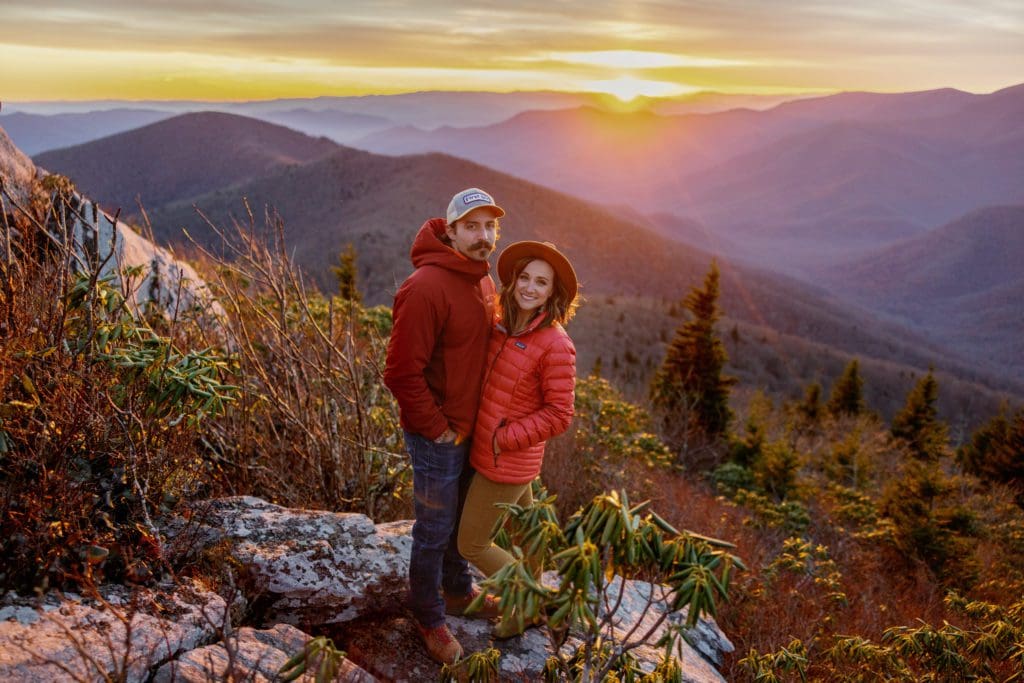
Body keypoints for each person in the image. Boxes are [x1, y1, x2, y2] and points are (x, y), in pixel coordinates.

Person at [383, 187, 506, 664]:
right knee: (434, 528)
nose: (482, 236)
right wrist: (435, 427)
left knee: (459, 519)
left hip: (473, 426)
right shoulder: (426, 287)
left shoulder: (481, 279)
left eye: (489, 226)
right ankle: (429, 616)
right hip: (440, 434)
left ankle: (458, 591)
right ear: (450, 231)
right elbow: (400, 371)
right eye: (471, 227)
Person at [456, 240, 579, 637]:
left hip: (505, 460)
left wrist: (503, 439)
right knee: (530, 534)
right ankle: (523, 612)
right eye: (524, 277)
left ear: (552, 293)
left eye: (540, 282)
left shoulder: (556, 343)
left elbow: (560, 414)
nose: (529, 287)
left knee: (471, 545)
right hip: (502, 455)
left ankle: (529, 601)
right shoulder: (502, 323)